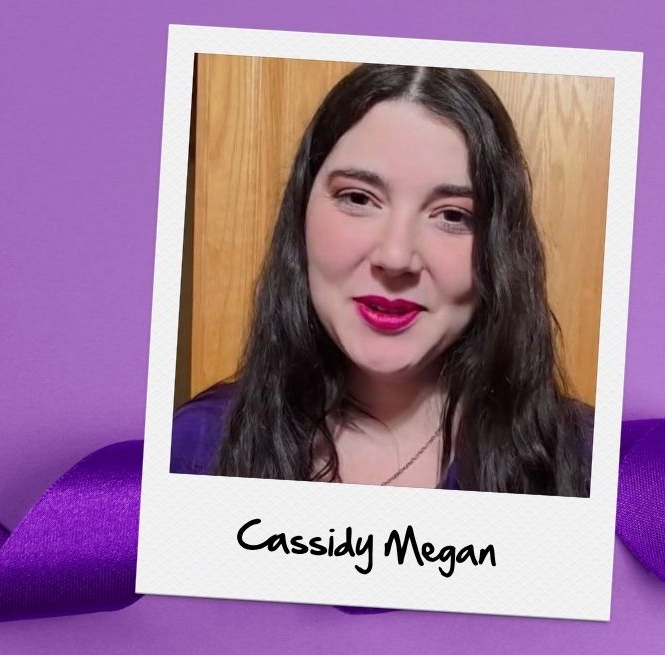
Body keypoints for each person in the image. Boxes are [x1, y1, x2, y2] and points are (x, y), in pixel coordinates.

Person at [170, 64, 593, 497]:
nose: (395, 257)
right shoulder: (193, 452)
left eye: (452, 215)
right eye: (358, 197)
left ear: (499, 248)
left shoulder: (594, 470)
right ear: (301, 212)